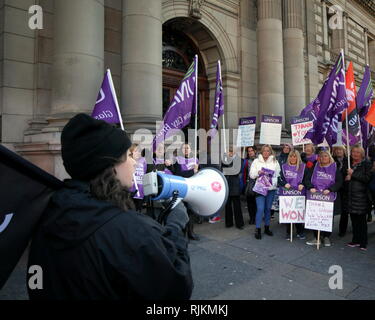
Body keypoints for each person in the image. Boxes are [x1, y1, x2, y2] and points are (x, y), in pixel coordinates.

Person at [27, 114, 193, 300]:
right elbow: (174, 290)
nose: (134, 162)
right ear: (110, 165)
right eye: (129, 155)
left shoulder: (49, 214)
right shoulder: (130, 229)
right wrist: (175, 228)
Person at [303, 149, 343, 247]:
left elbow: (339, 182)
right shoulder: (314, 167)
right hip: (315, 196)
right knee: (315, 216)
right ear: (319, 158)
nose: (323, 158)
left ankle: (326, 237)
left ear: (329, 157)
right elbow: (306, 179)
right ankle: (316, 237)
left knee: (327, 217)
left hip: (328, 197)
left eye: (325, 156)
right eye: (321, 156)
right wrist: (310, 187)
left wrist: (330, 189)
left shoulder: (334, 168)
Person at [342, 145, 372, 251]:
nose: (355, 154)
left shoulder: (366, 164)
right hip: (351, 196)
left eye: (358, 152)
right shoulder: (349, 163)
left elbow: (366, 178)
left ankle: (363, 242)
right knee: (354, 220)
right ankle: (355, 240)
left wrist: (353, 174)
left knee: (361, 221)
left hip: (361, 197)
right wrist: (347, 178)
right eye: (353, 152)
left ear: (362, 154)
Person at [250, 145, 281, 240]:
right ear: (261, 152)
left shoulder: (275, 162)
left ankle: (267, 228)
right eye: (264, 151)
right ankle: (258, 229)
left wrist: (272, 175)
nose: (266, 153)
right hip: (260, 188)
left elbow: (278, 174)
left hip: (271, 189)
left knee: (268, 208)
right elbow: (251, 175)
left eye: (268, 151)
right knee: (260, 208)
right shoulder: (256, 161)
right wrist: (258, 173)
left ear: (270, 152)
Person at [174, 143, 201, 240]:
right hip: (183, 187)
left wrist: (197, 170)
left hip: (193, 188)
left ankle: (191, 232)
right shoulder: (177, 161)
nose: (186, 150)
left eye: (187, 148)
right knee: (183, 211)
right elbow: (178, 174)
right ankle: (183, 232)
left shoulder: (195, 160)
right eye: (184, 148)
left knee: (191, 211)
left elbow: (199, 174)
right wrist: (192, 171)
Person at [277, 150, 306, 240]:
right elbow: (279, 179)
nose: (293, 158)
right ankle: (289, 232)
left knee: (298, 212)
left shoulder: (303, 167)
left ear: (298, 158)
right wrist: (284, 183)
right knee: (288, 212)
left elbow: (307, 179)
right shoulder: (284, 167)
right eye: (291, 156)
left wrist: (303, 184)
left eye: (295, 156)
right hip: (287, 193)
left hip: (299, 193)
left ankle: (300, 230)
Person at [222, 146, 245, 230]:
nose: (229, 153)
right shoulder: (226, 160)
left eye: (230, 152)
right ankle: (229, 223)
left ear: (233, 152)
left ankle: (239, 223)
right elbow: (222, 169)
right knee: (227, 205)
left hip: (235, 185)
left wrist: (226, 169)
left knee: (237, 206)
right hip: (227, 184)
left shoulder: (239, 160)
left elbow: (236, 171)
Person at [129, 144, 147, 212]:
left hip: (140, 192)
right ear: (131, 152)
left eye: (139, 151)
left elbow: (144, 174)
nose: (138, 153)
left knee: (138, 211)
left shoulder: (143, 161)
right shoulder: (129, 160)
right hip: (130, 191)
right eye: (136, 151)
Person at [243, 146, 257, 225]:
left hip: (258, 183)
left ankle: (256, 217)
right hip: (249, 183)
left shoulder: (259, 160)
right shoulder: (246, 161)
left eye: (252, 150)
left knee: (256, 202)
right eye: (249, 151)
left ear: (255, 151)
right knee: (250, 202)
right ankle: (252, 218)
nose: (250, 152)